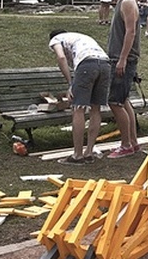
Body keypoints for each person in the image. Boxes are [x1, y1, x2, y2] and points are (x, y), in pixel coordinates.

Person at [48, 30, 111, 164]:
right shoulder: (80, 37)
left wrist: (71, 83)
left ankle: (77, 155)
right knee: (95, 108)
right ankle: (89, 152)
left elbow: (61, 57)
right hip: (105, 64)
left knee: (78, 108)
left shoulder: (56, 39)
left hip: (87, 64)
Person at [99, 0, 143, 159]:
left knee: (115, 102)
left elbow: (130, 32)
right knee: (123, 101)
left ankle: (125, 145)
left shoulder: (127, 2)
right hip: (117, 58)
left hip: (123, 59)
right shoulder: (121, 4)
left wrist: (123, 58)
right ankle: (133, 143)